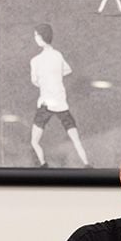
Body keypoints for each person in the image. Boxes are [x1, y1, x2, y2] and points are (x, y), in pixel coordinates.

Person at [30, 23, 91, 168]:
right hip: (61, 103)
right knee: (75, 139)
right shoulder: (58, 55)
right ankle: (87, 164)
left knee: (34, 141)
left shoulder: (35, 61)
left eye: (36, 36)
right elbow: (67, 70)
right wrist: (56, 77)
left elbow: (35, 81)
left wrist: (45, 81)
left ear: (40, 37)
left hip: (45, 104)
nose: (35, 38)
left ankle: (44, 164)